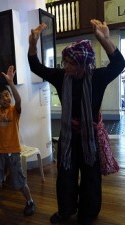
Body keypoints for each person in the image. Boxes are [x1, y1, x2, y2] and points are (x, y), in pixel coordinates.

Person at [28, 19, 125, 225]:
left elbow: (119, 64)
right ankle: (66, 210)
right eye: (66, 62)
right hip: (68, 136)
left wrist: (105, 39)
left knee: (91, 175)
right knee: (65, 174)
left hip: (90, 137)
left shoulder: (97, 77)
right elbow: (36, 66)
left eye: (71, 63)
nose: (67, 66)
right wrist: (32, 44)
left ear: (83, 63)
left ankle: (88, 213)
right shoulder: (62, 77)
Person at [0, 65, 35, 216]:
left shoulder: (14, 110)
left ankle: (30, 201)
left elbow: (18, 100)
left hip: (13, 152)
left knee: (18, 180)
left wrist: (11, 82)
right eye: (1, 97)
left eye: (7, 95)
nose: (5, 98)